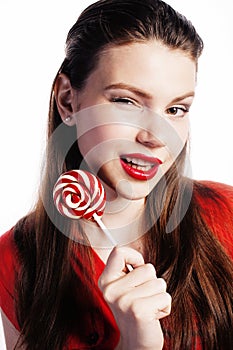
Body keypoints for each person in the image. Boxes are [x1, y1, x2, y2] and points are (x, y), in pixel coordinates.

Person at [0, 0, 233, 349]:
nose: (156, 137)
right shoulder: (16, 259)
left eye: (176, 109)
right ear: (68, 101)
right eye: (126, 101)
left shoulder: (227, 215)